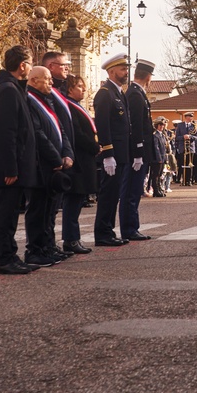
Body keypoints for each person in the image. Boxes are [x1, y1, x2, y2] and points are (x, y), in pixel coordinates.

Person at [0, 45, 40, 274]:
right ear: (22, 65)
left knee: (11, 214)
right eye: (30, 63)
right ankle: (5, 259)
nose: (30, 68)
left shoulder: (13, 88)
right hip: (10, 166)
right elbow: (7, 133)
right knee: (5, 214)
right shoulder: (8, 90)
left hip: (16, 163)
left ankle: (11, 255)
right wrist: (11, 168)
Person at [24, 65, 73, 267]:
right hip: (41, 166)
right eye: (47, 79)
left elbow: (60, 129)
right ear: (33, 80)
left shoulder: (48, 100)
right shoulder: (29, 100)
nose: (51, 82)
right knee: (38, 210)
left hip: (55, 165)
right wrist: (56, 159)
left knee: (50, 210)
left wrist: (67, 153)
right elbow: (38, 134)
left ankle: (48, 246)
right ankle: (35, 250)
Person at [92, 52, 131, 247]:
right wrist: (108, 154)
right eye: (123, 69)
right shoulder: (105, 93)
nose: (126, 72)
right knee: (108, 195)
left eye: (126, 69)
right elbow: (103, 125)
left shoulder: (118, 93)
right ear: (111, 71)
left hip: (121, 154)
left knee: (114, 195)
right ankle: (102, 233)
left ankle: (108, 230)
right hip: (112, 154)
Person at [62, 74, 98, 253]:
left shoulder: (76, 105)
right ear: (70, 89)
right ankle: (70, 238)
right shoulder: (69, 106)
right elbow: (77, 133)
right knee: (72, 201)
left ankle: (73, 237)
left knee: (77, 202)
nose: (83, 89)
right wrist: (94, 146)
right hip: (79, 160)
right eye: (79, 86)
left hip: (85, 159)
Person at [120, 59, 154, 241]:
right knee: (131, 192)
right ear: (148, 77)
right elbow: (135, 126)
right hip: (136, 152)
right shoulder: (134, 94)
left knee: (134, 191)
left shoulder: (137, 93)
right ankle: (129, 228)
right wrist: (138, 152)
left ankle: (132, 227)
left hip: (139, 151)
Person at [174, 112, 197, 186]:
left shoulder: (194, 126)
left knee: (190, 165)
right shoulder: (180, 125)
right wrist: (183, 137)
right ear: (186, 117)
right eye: (189, 117)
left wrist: (190, 136)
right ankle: (183, 180)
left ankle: (189, 180)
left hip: (190, 148)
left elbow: (196, 137)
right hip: (182, 147)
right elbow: (177, 137)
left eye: (191, 117)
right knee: (182, 164)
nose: (191, 118)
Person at [149, 118, 168, 197]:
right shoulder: (155, 135)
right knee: (155, 175)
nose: (162, 127)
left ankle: (159, 188)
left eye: (163, 125)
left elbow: (164, 147)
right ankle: (156, 190)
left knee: (160, 175)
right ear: (157, 126)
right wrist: (159, 158)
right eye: (160, 125)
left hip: (162, 158)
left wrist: (165, 159)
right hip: (157, 159)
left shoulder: (162, 135)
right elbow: (156, 148)